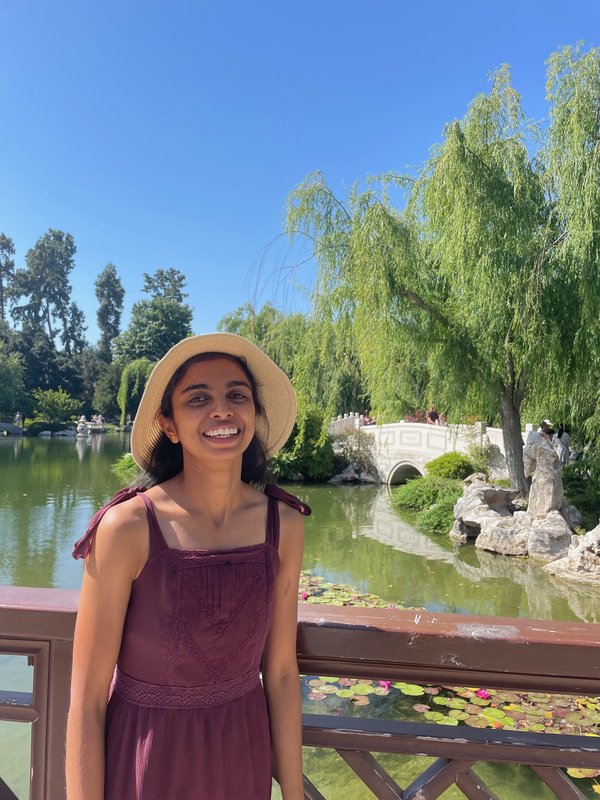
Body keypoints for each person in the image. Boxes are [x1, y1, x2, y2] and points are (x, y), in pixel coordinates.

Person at [66, 333, 311, 800]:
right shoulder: (127, 527)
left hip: (243, 754)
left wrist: (294, 793)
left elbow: (279, 670)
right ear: (169, 424)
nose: (221, 409)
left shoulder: (284, 526)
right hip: (146, 759)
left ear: (254, 416)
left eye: (237, 395)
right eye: (198, 398)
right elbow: (88, 698)